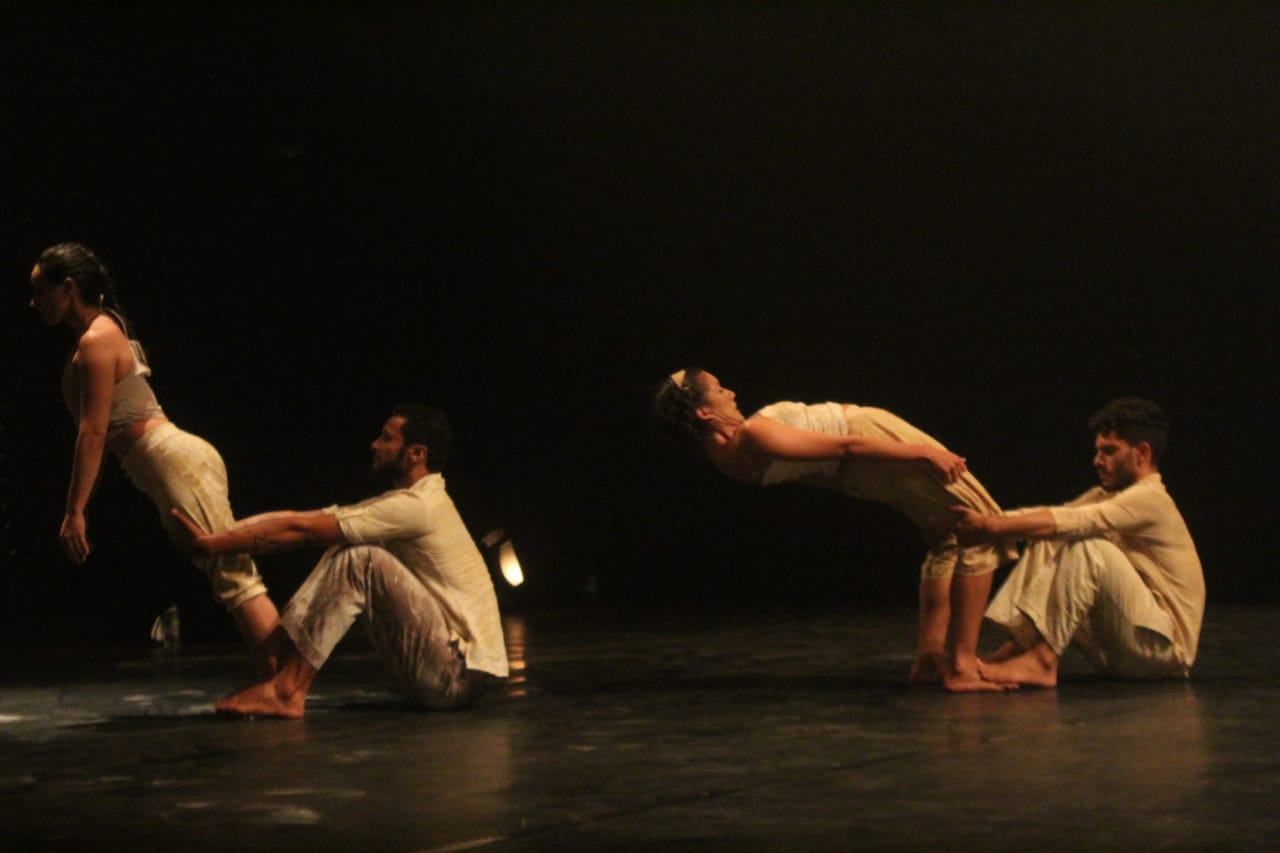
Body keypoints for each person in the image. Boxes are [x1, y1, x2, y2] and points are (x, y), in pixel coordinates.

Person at [653, 368, 1017, 692]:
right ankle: (962, 666)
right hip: (867, 441)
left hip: (856, 471)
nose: (731, 393)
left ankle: (929, 659)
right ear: (703, 412)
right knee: (982, 525)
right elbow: (847, 446)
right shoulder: (752, 434)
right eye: (719, 390)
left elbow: (808, 471)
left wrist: (858, 484)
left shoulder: (724, 458)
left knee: (947, 540)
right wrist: (923, 453)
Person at [28, 243, 279, 674]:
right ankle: (280, 681)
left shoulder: (97, 339)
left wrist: (75, 511)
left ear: (68, 287)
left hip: (175, 460)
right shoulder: (104, 329)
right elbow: (99, 437)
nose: (34, 303)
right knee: (229, 573)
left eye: (40, 291)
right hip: (171, 462)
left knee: (234, 574)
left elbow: (93, 432)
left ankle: (285, 683)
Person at [171, 404, 508, 718]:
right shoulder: (410, 502)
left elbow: (303, 531)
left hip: (456, 676)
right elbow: (303, 519)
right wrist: (221, 534)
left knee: (360, 560)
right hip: (453, 676)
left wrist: (214, 545)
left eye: (387, 438)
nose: (375, 445)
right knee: (346, 545)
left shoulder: (418, 508)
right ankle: (284, 669)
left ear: (416, 454)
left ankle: (287, 690)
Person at [952, 398, 1205, 687]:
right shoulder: (1108, 496)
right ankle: (1021, 648)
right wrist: (983, 520)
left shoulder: (1152, 500)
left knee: (1087, 546)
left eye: (1109, 451)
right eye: (1097, 451)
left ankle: (1042, 661)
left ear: (1141, 453)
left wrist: (992, 526)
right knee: (1049, 534)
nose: (1097, 460)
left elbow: (1078, 521)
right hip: (1121, 646)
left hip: (1163, 653)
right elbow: (1055, 517)